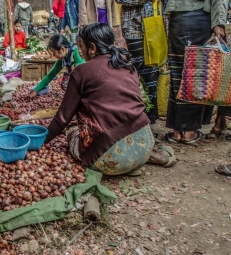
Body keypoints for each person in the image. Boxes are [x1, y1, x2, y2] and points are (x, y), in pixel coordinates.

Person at [44, 23, 176, 176]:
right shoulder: (127, 65)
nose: (80, 51)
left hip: (107, 159)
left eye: (81, 46)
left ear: (92, 48)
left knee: (73, 129)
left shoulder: (81, 72)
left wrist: (41, 141)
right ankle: (138, 161)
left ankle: (122, 164)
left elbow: (62, 118)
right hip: (145, 144)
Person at [161, 0, 229, 143]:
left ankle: (177, 131)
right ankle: (190, 131)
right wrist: (219, 22)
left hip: (178, 17)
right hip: (201, 16)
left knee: (179, 73)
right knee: (197, 73)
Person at [115, 0, 167, 125]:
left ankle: (152, 116)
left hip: (157, 24)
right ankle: (138, 115)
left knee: (154, 71)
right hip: (135, 26)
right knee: (138, 71)